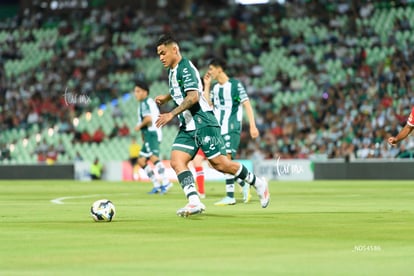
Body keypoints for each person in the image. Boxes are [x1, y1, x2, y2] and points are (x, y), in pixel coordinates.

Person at [154, 33, 270, 217]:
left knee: (221, 164)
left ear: (174, 50)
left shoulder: (185, 68)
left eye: (163, 53)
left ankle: (258, 183)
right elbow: (179, 89)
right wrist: (167, 97)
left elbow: (193, 96)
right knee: (177, 161)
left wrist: (171, 113)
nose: (160, 58)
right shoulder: (172, 70)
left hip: (203, 121)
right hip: (188, 125)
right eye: (158, 54)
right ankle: (194, 201)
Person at [204, 57, 258, 206]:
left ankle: (230, 196)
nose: (209, 72)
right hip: (218, 129)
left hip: (232, 127)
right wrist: (207, 85)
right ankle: (243, 182)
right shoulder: (215, 88)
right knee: (215, 163)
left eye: (211, 69)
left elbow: (247, 104)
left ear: (219, 68)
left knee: (225, 160)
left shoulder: (235, 85)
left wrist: (252, 125)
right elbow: (208, 104)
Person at [133, 80, 173, 194]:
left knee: (153, 157)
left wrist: (138, 127)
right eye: (135, 91)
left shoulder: (146, 103)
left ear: (145, 92)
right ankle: (156, 184)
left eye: (138, 91)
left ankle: (166, 182)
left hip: (152, 133)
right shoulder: (144, 103)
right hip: (148, 134)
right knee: (141, 161)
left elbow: (148, 119)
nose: (136, 93)